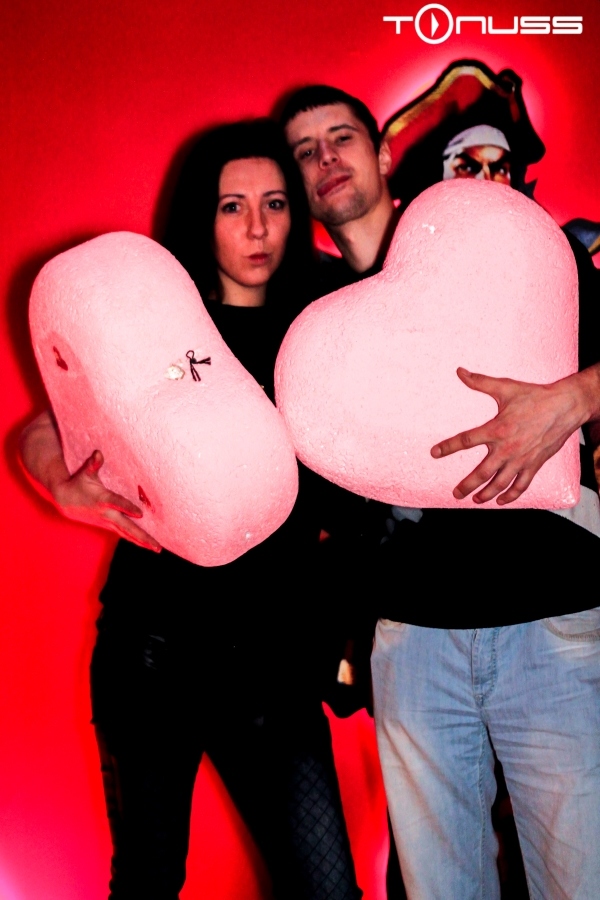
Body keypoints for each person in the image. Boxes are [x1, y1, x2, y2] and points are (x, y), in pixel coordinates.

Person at [20, 119, 363, 900]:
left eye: (275, 203)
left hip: (275, 660)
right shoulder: (167, 330)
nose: (257, 228)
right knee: (148, 879)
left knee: (329, 890)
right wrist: (60, 481)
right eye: (232, 206)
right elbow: (46, 425)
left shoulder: (321, 332)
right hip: (156, 645)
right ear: (200, 217)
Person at [280, 72, 600, 899]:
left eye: (341, 138)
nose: (326, 159)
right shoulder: (302, 313)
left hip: (553, 613)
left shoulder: (499, 237)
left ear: (385, 152)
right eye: (305, 151)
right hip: (411, 637)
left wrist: (572, 398)